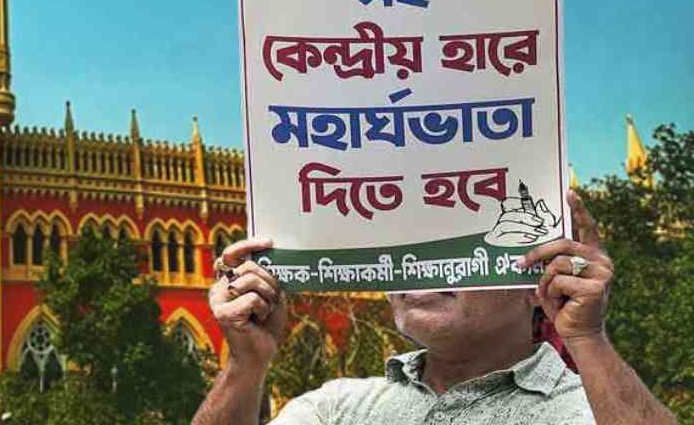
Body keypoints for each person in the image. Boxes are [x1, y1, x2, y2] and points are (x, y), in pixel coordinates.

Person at [192, 191, 677, 424]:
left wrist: (588, 340)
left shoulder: (585, 411)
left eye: (454, 244)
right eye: (399, 244)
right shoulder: (338, 409)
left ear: (538, 279)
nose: (416, 265)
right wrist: (245, 365)